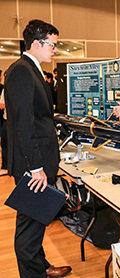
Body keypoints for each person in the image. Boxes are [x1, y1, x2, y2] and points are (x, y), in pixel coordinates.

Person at [4, 19, 72, 278]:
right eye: (53, 45)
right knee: (29, 226)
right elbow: (23, 123)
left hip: (38, 161)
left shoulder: (30, 69)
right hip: (33, 164)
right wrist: (35, 168)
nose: (55, 50)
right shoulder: (22, 71)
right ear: (37, 43)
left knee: (37, 220)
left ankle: (41, 266)